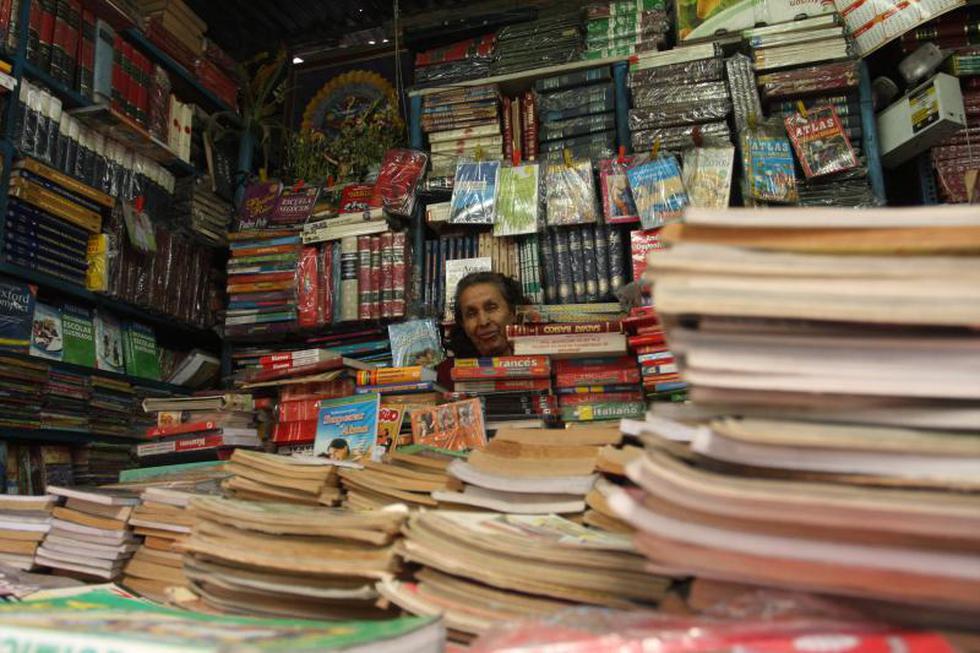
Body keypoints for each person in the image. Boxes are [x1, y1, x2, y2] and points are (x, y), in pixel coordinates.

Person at [450, 271, 524, 358]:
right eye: (471, 314)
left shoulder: (542, 365)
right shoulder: (449, 370)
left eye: (491, 308)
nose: (483, 322)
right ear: (463, 324)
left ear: (513, 312)